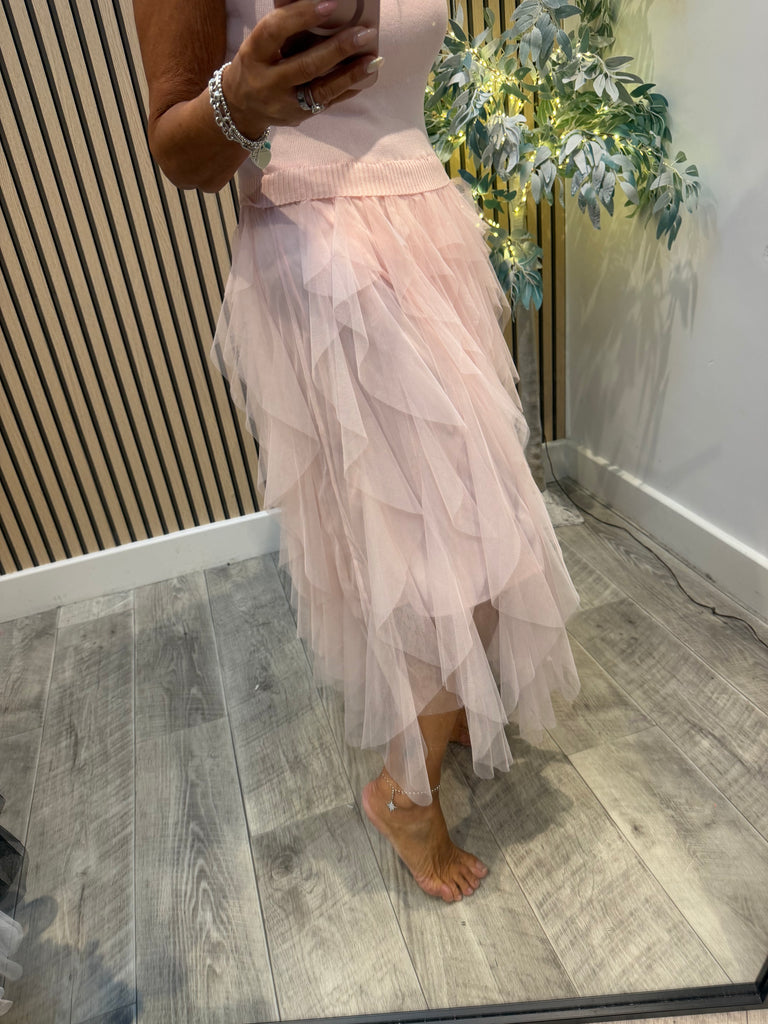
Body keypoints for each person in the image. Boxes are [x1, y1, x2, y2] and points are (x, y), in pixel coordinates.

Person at [132, 0, 582, 904]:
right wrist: (243, 97)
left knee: (478, 519)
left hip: (428, 224)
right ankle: (402, 794)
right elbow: (180, 152)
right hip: (324, 245)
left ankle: (446, 703)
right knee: (438, 549)